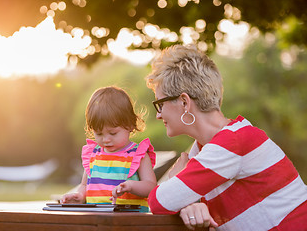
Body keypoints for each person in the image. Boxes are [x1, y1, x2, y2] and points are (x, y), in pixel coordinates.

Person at [145, 44, 307, 230]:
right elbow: (172, 201)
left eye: (160, 104)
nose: (158, 115)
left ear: (184, 102)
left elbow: (158, 201)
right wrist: (188, 203)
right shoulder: (204, 150)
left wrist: (177, 181)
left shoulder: (232, 143)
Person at [60, 86, 157, 212]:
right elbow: (85, 185)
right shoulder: (93, 155)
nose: (106, 140)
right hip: (96, 219)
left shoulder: (138, 155)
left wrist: (131, 186)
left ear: (130, 125)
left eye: (113, 133)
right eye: (99, 134)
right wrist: (80, 196)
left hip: (131, 221)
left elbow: (151, 187)